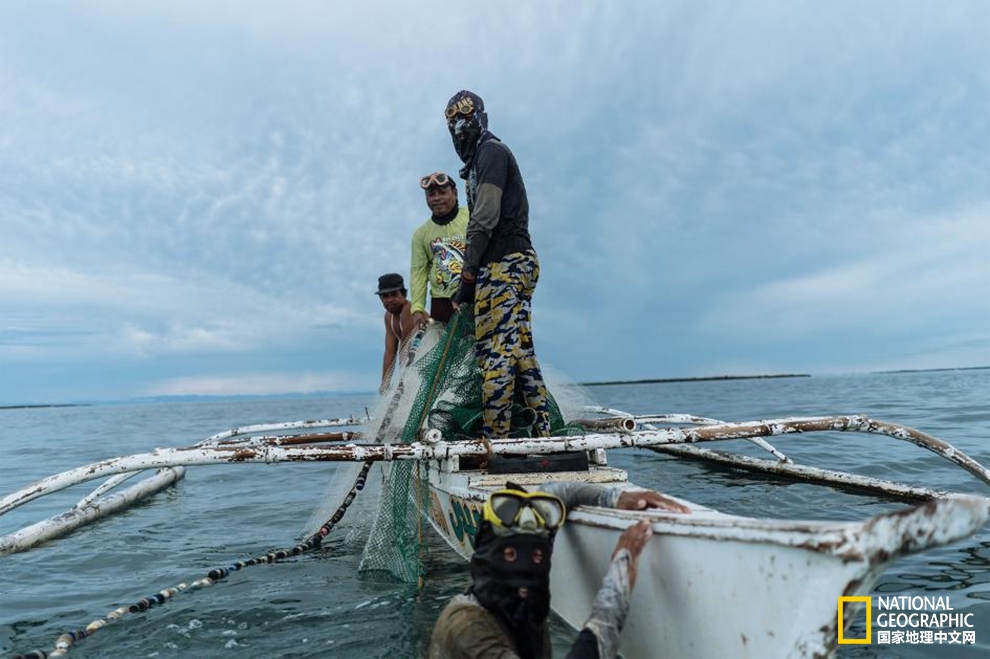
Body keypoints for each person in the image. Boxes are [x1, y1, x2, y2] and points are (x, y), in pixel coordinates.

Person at [429, 482, 691, 659]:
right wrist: (618, 581)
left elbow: (553, 493)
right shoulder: (467, 627)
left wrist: (615, 497)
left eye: (537, 555)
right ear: (485, 554)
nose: (525, 566)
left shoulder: (532, 577)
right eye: (509, 554)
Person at [445, 90, 549, 440]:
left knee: (495, 354)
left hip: (503, 265)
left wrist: (468, 274)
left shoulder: (490, 153)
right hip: (519, 263)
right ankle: (543, 430)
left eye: (465, 119)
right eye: (453, 123)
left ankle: (497, 440)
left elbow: (484, 217)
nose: (460, 129)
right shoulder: (482, 159)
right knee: (520, 351)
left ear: (481, 119)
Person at [411, 172, 470, 327]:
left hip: (474, 295)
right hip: (441, 303)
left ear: (455, 194)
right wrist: (417, 307)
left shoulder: (473, 217)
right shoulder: (420, 234)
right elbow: (419, 273)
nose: (437, 198)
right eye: (431, 195)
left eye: (443, 193)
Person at [377, 273, 417, 394]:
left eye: (394, 295)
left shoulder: (409, 309)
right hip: (413, 362)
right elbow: (390, 352)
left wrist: (403, 383)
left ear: (404, 294)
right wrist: (385, 384)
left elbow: (405, 349)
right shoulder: (388, 316)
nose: (389, 300)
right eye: (385, 296)